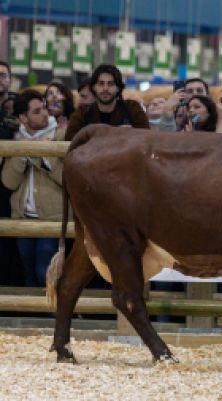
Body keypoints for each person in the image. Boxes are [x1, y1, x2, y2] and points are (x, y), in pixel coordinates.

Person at [1, 90, 64, 287]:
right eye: (37, 111)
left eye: (45, 108)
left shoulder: (61, 136)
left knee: (44, 272)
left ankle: (53, 316)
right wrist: (22, 152)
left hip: (52, 219)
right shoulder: (15, 140)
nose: (45, 113)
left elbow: (67, 178)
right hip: (21, 218)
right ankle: (34, 317)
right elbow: (8, 182)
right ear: (23, 117)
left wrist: (43, 155)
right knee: (27, 273)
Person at [65, 64, 150, 140]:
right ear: (94, 87)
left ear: (118, 88)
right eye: (101, 84)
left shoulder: (132, 108)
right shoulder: (82, 113)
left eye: (110, 84)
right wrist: (114, 133)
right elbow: (70, 139)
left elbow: (147, 137)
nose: (105, 88)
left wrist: (132, 133)